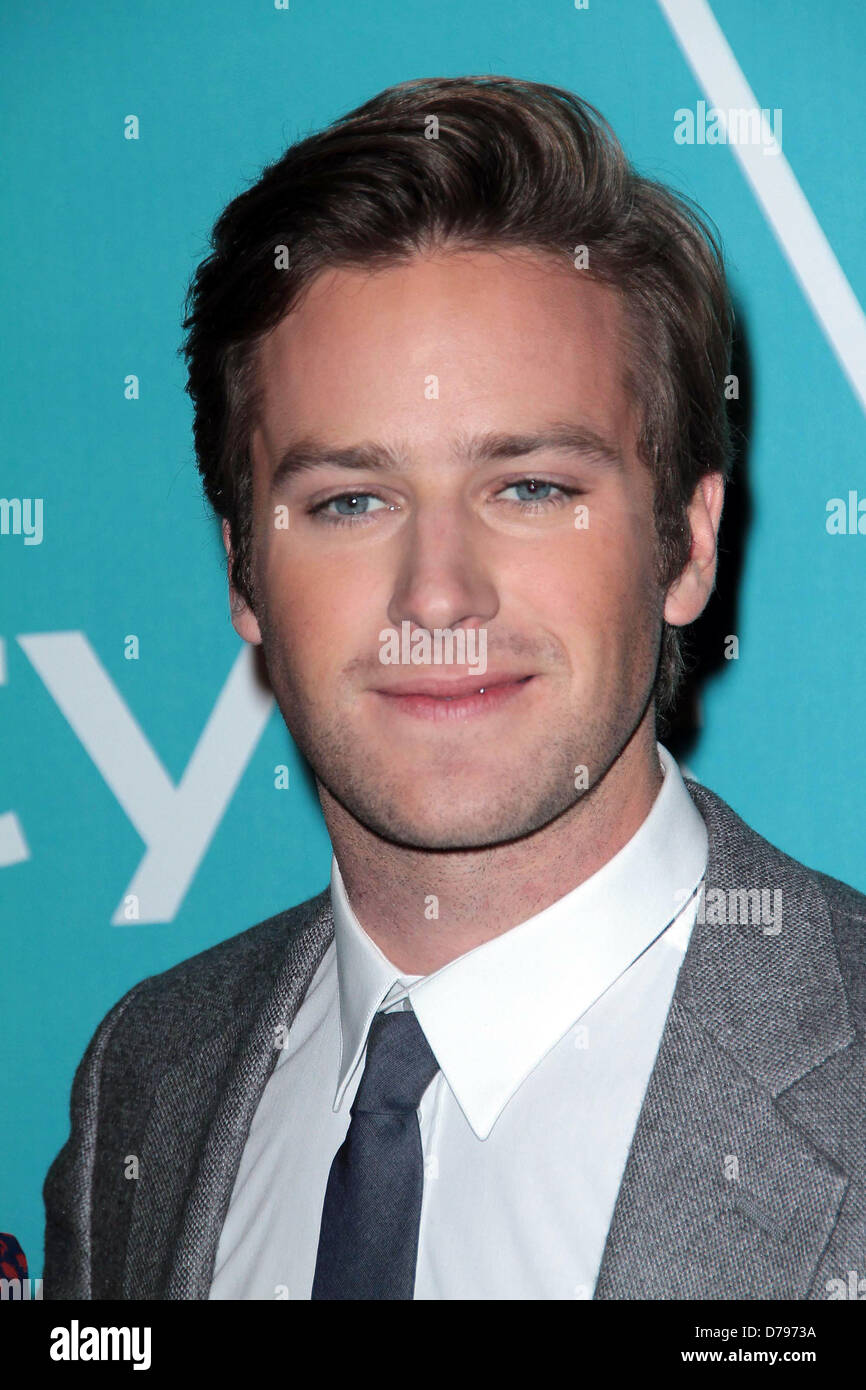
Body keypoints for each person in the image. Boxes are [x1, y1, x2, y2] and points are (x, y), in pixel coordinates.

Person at [44, 75, 866, 1301]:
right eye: (349, 501)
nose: (436, 596)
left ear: (686, 544)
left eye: (529, 488)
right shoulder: (144, 1076)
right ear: (243, 570)